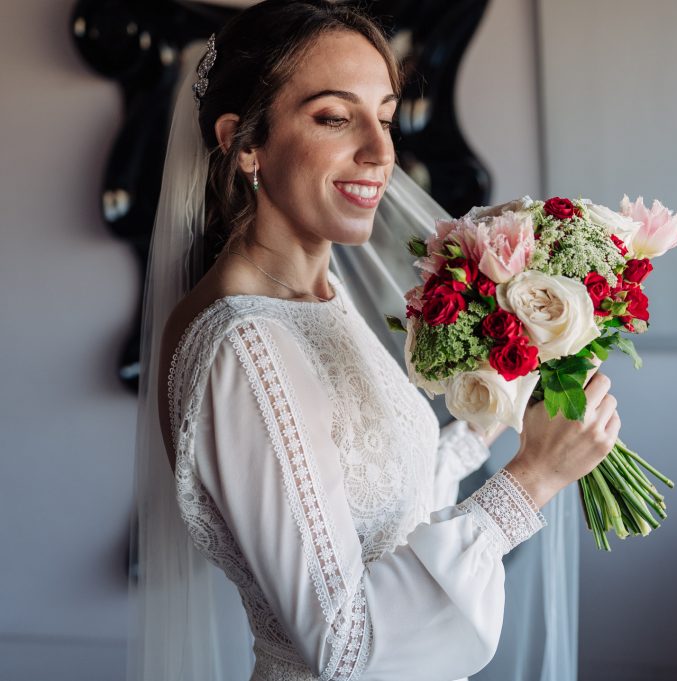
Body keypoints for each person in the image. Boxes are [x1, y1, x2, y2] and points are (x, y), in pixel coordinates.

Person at [128, 2, 621, 680]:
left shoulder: (320, 294)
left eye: (385, 118)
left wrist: (487, 424)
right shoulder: (247, 348)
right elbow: (346, 647)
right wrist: (531, 480)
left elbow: (382, 501)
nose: (381, 152)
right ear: (245, 143)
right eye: (335, 117)